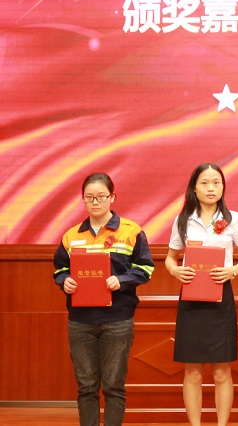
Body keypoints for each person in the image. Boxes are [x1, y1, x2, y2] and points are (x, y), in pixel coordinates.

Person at [52, 172, 155, 426]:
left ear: (112, 197)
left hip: (117, 320)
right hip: (80, 321)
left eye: (100, 196)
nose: (95, 202)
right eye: (89, 197)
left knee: (113, 386)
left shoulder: (131, 231)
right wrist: (64, 281)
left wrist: (122, 280)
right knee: (86, 386)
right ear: (83, 200)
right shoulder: (71, 235)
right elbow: (60, 269)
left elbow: (145, 269)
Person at [165, 163, 238, 426]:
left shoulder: (234, 219)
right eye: (204, 183)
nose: (211, 188)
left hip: (221, 298)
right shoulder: (182, 220)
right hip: (191, 300)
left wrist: (232, 270)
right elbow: (170, 258)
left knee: (222, 371)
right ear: (194, 188)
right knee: (192, 372)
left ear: (223, 186)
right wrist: (175, 271)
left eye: (216, 182)